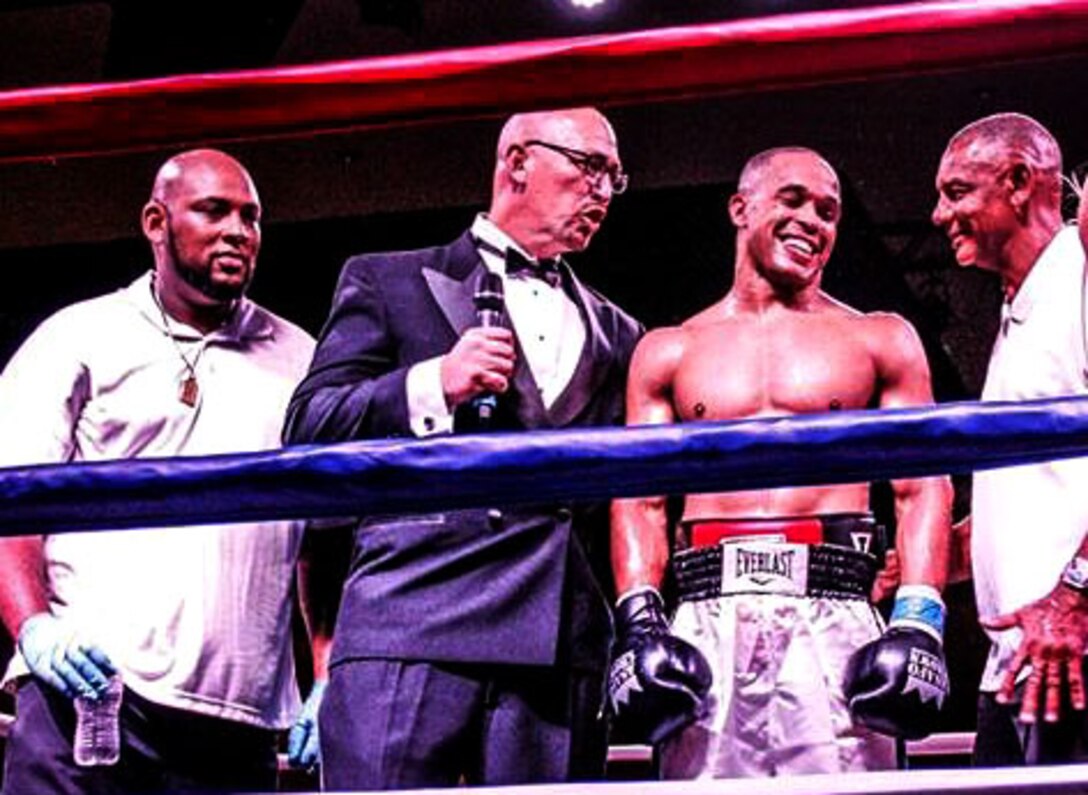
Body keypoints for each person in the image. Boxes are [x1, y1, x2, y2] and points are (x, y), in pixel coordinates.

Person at [282, 106, 643, 790]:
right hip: (412, 619)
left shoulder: (622, 332)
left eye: (615, 177)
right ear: (516, 163)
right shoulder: (388, 281)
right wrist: (430, 385)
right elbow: (309, 430)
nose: (603, 191)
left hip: (557, 641)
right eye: (591, 166)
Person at [609, 146, 953, 777]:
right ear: (740, 208)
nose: (813, 222)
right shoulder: (669, 349)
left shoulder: (878, 337)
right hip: (707, 615)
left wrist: (919, 619)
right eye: (792, 200)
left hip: (833, 605)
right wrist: (639, 618)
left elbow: (922, 485)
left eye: (828, 211)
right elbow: (641, 497)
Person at [0, 149, 316, 793]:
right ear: (155, 221)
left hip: (239, 717)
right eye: (212, 210)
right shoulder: (78, 337)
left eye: (250, 217)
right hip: (90, 694)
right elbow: (9, 497)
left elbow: (321, 534)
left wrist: (330, 669)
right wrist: (34, 627)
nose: (237, 231)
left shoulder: (301, 358)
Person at [932, 113, 1088, 765]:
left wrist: (1076, 591)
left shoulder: (1080, 273)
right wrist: (941, 554)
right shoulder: (1020, 307)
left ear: (1019, 180)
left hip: (1073, 648)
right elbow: (1045, 487)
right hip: (1020, 660)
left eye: (956, 191)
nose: (939, 215)